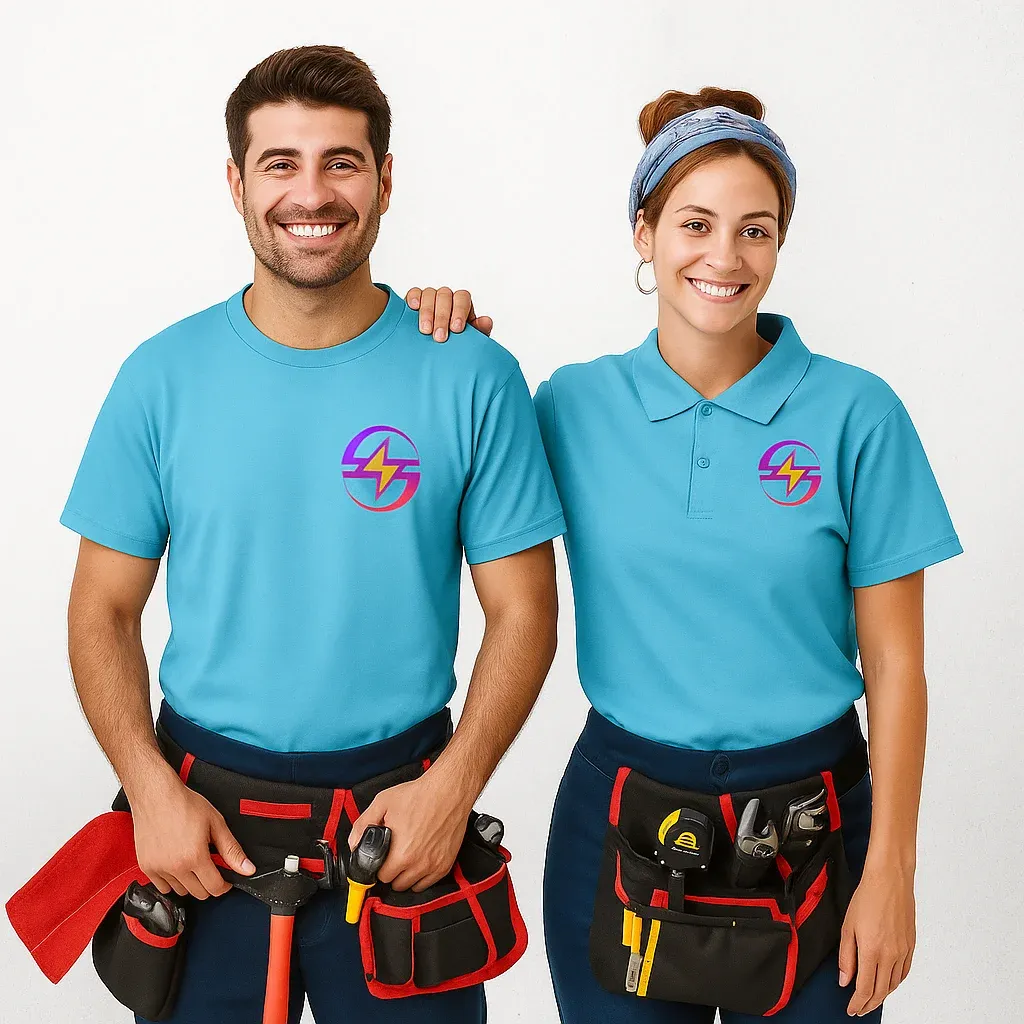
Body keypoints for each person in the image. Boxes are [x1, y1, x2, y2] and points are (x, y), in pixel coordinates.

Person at [408, 86, 962, 1022]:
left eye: (757, 230)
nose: (725, 256)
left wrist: (892, 874)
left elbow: (897, 667)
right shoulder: (568, 408)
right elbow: (446, 428)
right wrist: (429, 327)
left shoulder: (858, 414)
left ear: (782, 243)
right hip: (617, 813)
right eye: (695, 223)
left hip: (817, 824)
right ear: (643, 234)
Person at [53, 44, 564, 1023]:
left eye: (341, 160)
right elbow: (101, 611)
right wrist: (146, 790)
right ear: (237, 182)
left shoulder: (466, 374)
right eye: (281, 162)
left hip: (402, 833)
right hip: (202, 835)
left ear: (383, 179)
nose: (312, 191)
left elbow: (524, 612)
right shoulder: (160, 378)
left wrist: (454, 789)